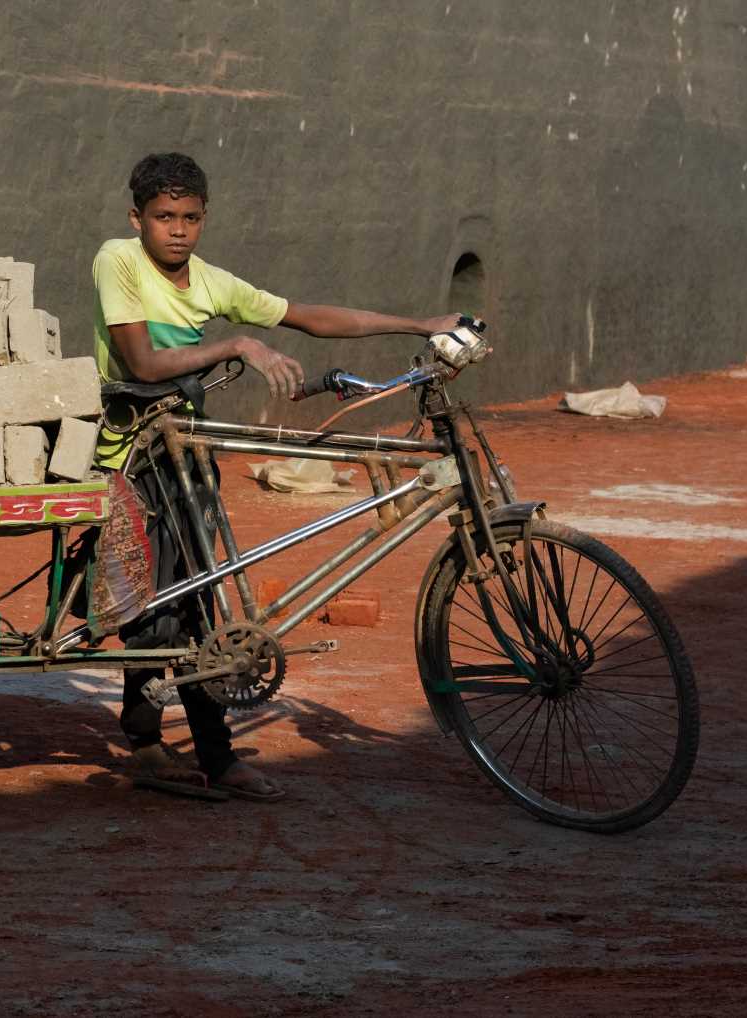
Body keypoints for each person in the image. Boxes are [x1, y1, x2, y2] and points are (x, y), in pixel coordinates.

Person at [93, 151, 471, 802]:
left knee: (191, 599)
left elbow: (309, 316)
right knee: (173, 608)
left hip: (189, 453)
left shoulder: (209, 282)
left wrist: (421, 323)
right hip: (134, 457)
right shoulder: (117, 261)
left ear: (204, 219)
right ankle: (185, 751)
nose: (177, 230)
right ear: (137, 219)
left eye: (189, 217)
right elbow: (141, 360)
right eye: (163, 217)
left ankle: (171, 745)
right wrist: (237, 344)